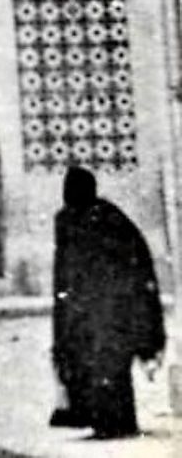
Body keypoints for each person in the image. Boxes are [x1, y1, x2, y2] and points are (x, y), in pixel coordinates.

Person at [52, 164, 166, 438]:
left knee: (103, 364)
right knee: (98, 366)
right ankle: (106, 421)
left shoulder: (91, 219)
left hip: (106, 309)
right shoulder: (87, 218)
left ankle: (112, 424)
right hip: (97, 308)